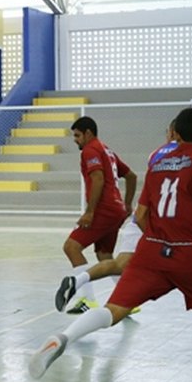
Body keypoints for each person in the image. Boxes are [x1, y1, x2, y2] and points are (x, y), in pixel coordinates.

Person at [29, 107, 192, 382]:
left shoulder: (159, 161)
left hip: (152, 249)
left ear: (175, 133)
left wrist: (161, 231)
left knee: (114, 310)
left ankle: (63, 338)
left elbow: (140, 216)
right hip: (190, 254)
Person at [55, 121, 192, 333]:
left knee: (102, 256)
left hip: (149, 222)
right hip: (151, 222)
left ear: (174, 133)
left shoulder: (159, 154)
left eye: (168, 131)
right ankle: (92, 290)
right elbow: (188, 188)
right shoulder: (191, 157)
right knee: (119, 260)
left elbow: (108, 180)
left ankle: (83, 290)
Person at [59, 116, 136, 314]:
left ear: (88, 133)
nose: (75, 140)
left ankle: (86, 298)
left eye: (77, 135)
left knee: (71, 247)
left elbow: (98, 178)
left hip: (104, 209)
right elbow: (131, 176)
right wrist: (127, 203)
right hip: (116, 210)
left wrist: (90, 212)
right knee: (105, 255)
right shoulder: (106, 149)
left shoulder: (90, 150)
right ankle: (128, 301)